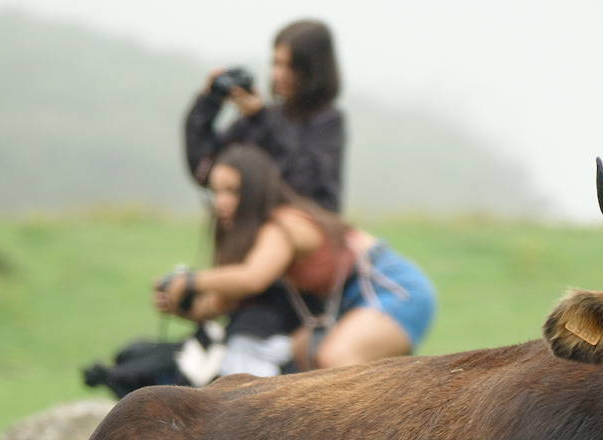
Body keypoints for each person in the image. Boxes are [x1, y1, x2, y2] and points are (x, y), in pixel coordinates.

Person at [154, 145, 434, 370]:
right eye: (215, 192)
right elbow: (222, 304)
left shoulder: (282, 225)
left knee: (334, 359)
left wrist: (191, 280)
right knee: (298, 361)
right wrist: (180, 306)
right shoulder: (259, 237)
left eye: (233, 191)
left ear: (255, 190)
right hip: (347, 302)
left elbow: (252, 278)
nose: (221, 202)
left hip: (390, 286)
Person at [183, 19, 346, 375]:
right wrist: (207, 103)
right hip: (252, 258)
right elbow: (206, 167)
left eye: (289, 64)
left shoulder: (327, 123)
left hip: (298, 275)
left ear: (312, 69)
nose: (278, 73)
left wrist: (261, 122)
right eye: (275, 63)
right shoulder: (262, 120)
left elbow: (304, 183)